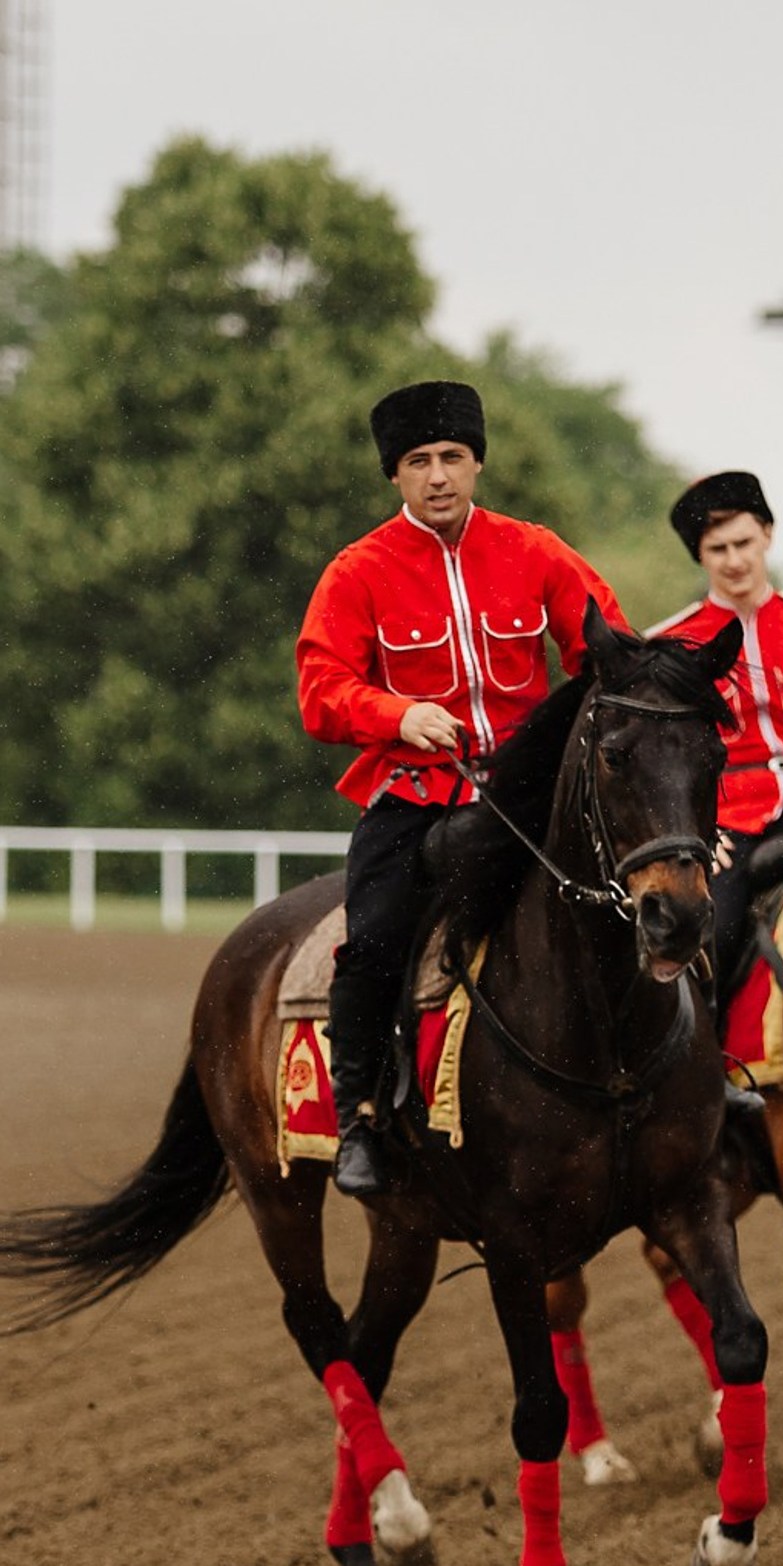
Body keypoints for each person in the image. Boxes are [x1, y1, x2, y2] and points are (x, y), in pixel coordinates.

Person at [296, 379, 629, 1200]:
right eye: (418, 461)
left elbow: (610, 654)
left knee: (646, 898)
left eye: (452, 456)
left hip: (530, 796)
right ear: (395, 475)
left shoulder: (536, 552)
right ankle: (360, 1117)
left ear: (478, 463)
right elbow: (319, 692)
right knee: (375, 940)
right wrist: (398, 713)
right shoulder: (358, 572)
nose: (438, 475)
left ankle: (686, 1078)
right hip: (417, 798)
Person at [651, 471, 783, 1023]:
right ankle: (709, 1054)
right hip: (730, 820)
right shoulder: (672, 646)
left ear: (768, 534)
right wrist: (697, 832)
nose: (734, 560)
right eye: (717, 549)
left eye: (744, 542)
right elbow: (661, 761)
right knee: (711, 932)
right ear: (700, 557)